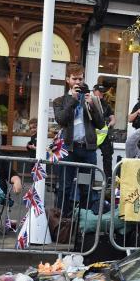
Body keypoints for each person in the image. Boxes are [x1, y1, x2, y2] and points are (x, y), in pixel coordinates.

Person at [52, 64, 105, 215]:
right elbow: (61, 120)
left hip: (87, 151)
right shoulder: (60, 101)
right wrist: (73, 101)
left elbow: (101, 124)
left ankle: (84, 222)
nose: (78, 82)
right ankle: (62, 221)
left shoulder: (91, 98)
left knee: (85, 187)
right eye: (74, 79)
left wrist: (92, 105)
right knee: (65, 186)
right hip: (69, 149)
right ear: (67, 79)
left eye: (80, 79)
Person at [93, 84, 116, 185]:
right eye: (99, 91)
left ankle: (109, 180)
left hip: (103, 134)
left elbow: (113, 118)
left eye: (103, 91)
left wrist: (111, 123)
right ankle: (90, 179)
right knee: (90, 156)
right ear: (94, 91)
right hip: (91, 134)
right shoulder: (89, 102)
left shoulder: (106, 104)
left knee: (108, 156)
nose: (101, 93)